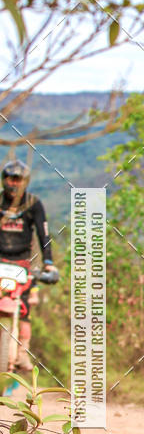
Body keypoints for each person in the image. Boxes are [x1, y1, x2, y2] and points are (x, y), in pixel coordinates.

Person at [0, 158, 59, 371]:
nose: (14, 183)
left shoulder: (33, 204)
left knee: (24, 308)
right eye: (11, 178)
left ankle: (23, 351)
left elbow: (44, 235)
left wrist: (48, 263)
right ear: (4, 180)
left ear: (25, 181)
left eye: (19, 179)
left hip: (22, 265)